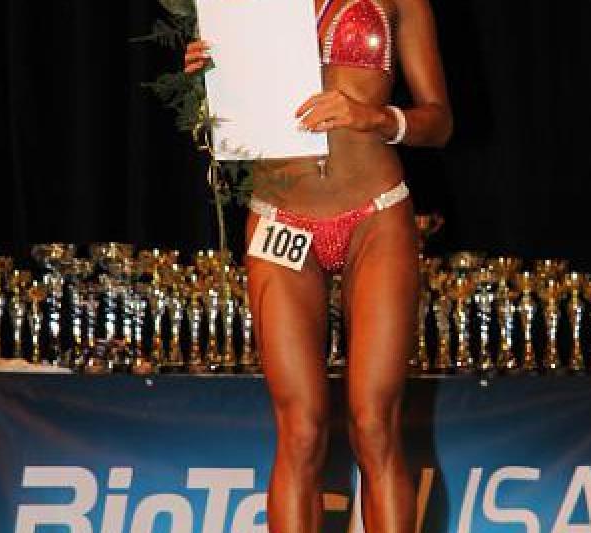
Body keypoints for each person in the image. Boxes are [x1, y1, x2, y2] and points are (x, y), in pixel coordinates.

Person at [185, 0, 451, 530]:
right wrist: (211, 77)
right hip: (280, 219)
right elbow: (227, 119)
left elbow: (439, 120)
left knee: (373, 425)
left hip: (375, 214)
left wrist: (378, 117)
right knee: (301, 431)